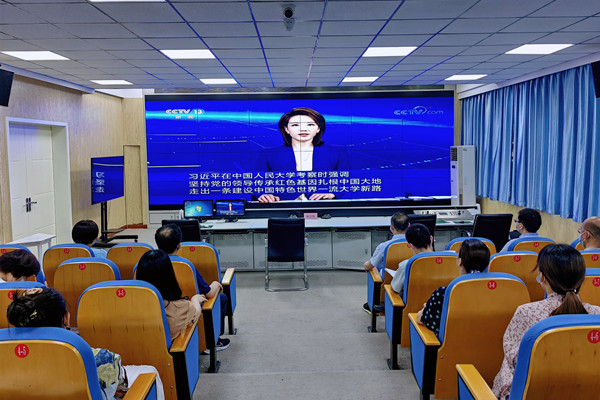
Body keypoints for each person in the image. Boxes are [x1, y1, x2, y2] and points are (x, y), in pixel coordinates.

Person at [6, 286, 164, 400]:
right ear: (66, 318)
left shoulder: (6, 358)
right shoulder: (95, 358)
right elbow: (115, 379)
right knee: (149, 371)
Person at [491, 244, 600, 399]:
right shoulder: (596, 314)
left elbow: (516, 361)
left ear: (542, 277)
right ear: (581, 279)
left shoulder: (526, 312)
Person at [155, 224, 230, 352]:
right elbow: (209, 293)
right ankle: (212, 341)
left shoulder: (149, 264)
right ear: (179, 245)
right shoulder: (186, 266)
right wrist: (215, 284)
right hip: (187, 308)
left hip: (158, 309)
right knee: (221, 297)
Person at [137, 249, 230, 352]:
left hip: (140, 352)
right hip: (170, 356)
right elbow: (195, 313)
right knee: (222, 298)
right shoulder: (178, 307)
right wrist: (195, 300)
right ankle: (213, 343)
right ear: (169, 276)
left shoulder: (132, 306)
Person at [256, 107, 350, 203]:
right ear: (286, 129)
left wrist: (332, 194)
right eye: (295, 125)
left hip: (323, 206)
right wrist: (264, 195)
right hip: (283, 207)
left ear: (318, 128)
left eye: (310, 124)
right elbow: (258, 183)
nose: (303, 129)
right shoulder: (268, 154)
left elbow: (346, 181)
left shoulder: (337, 152)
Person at [416, 238, 490, 336]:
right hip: (483, 342)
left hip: (451, 344)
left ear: (460, 261)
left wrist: (427, 308)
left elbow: (420, 319)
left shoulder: (444, 294)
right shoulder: (493, 294)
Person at [362, 212, 409, 314]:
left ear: (392, 227)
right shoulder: (416, 245)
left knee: (372, 270)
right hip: (409, 280)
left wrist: (365, 265)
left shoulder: (383, 246)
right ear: (409, 226)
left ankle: (373, 303)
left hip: (389, 282)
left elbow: (370, 265)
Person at [390, 223, 434, 297]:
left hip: (414, 303)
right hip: (442, 303)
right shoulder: (450, 259)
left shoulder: (406, 265)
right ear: (431, 239)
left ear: (411, 245)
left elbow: (395, 288)